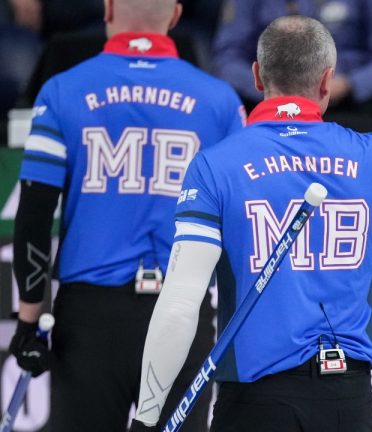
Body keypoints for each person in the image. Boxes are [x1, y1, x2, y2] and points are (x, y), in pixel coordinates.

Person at [128, 15, 372, 432]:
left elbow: (181, 303)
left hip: (255, 402)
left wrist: (147, 417)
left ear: (258, 75)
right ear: (328, 80)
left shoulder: (215, 165)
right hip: (345, 402)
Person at [9, 0, 245, 430]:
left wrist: (28, 322)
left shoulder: (63, 90)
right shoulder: (221, 101)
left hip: (91, 319)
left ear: (108, 8)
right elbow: (243, 220)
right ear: (175, 15)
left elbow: (34, 213)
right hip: (184, 312)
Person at [211, 0, 372, 109]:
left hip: (350, 107)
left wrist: (350, 84)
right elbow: (227, 58)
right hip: (270, 104)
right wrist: (274, 88)